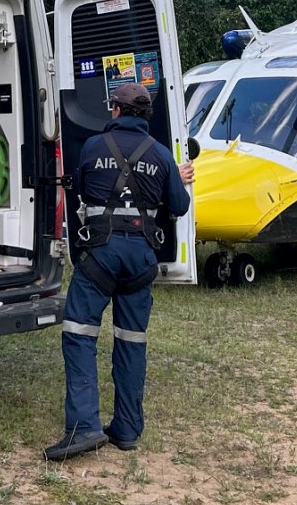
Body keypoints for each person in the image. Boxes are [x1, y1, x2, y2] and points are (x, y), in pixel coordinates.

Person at [46, 81, 194, 461]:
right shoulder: (160, 155)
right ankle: (126, 430)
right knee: (131, 341)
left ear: (115, 110)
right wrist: (172, 176)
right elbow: (178, 205)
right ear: (145, 116)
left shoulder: (94, 147)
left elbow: (80, 189)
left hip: (100, 256)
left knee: (79, 334)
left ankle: (84, 427)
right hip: (140, 261)